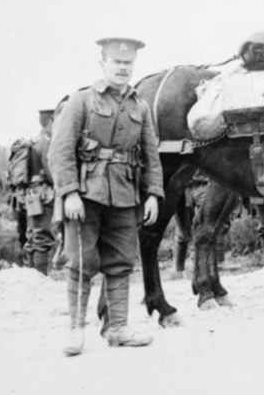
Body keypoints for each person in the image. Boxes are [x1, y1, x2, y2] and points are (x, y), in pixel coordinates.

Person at [49, 37, 164, 356]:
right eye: (117, 62)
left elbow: (150, 154)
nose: (123, 68)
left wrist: (153, 194)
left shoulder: (139, 106)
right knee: (81, 263)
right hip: (85, 196)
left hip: (126, 195)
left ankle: (117, 328)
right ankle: (75, 330)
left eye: (128, 64)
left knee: (121, 263)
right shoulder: (81, 100)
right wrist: (69, 192)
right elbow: (60, 150)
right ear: (103, 65)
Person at [22, 109, 57, 275]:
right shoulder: (47, 141)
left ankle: (31, 273)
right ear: (51, 121)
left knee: (33, 233)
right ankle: (40, 275)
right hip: (44, 194)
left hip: (32, 194)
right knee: (42, 234)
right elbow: (51, 172)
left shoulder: (33, 140)